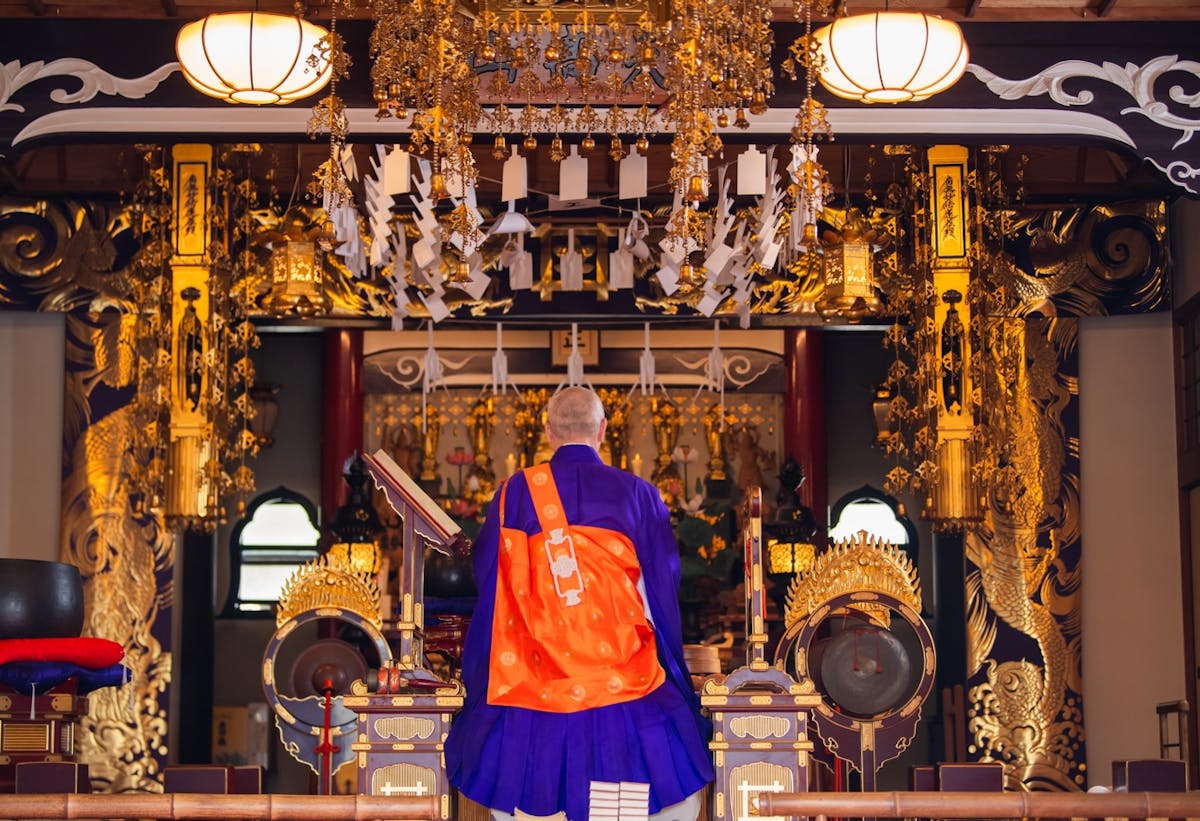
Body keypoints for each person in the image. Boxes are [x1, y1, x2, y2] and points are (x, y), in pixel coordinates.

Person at [445, 386, 713, 821]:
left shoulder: (514, 493)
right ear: (602, 430)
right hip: (624, 672)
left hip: (536, 673)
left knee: (522, 803)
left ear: (548, 431)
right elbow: (661, 583)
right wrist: (669, 661)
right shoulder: (638, 492)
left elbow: (491, 578)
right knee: (666, 797)